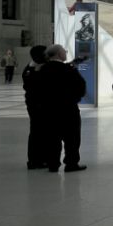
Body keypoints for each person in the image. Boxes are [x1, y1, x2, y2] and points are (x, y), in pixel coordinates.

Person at [38, 44, 87, 172]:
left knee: (51, 137)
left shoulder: (42, 70)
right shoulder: (69, 70)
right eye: (64, 51)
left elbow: (36, 90)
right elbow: (81, 87)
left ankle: (53, 163)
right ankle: (71, 163)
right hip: (68, 109)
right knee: (72, 138)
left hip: (48, 110)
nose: (65, 53)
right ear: (59, 54)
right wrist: (74, 99)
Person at [21, 45, 48, 168]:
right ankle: (35, 160)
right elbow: (32, 87)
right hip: (37, 104)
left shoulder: (30, 68)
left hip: (34, 104)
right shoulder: (33, 70)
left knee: (37, 131)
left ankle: (37, 159)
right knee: (38, 132)